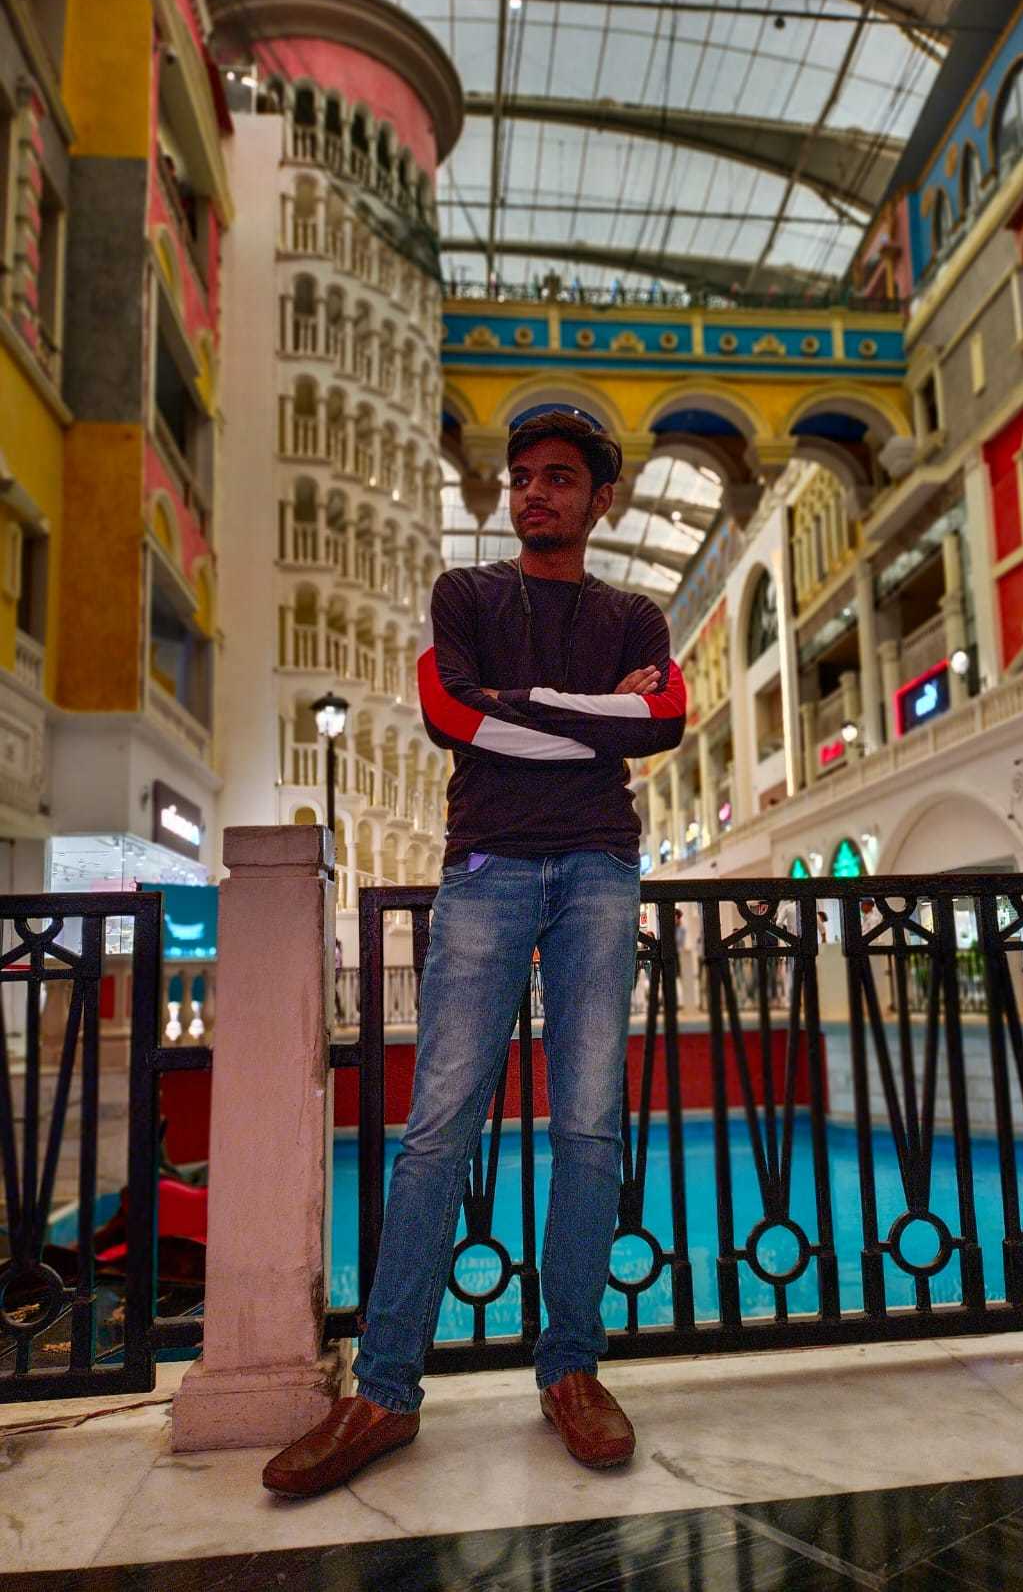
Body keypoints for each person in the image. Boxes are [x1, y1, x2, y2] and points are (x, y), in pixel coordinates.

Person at [263, 407, 687, 1498]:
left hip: (599, 869)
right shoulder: (466, 596)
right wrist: (596, 715)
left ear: (601, 499)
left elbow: (666, 721)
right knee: (438, 1128)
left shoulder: (636, 612)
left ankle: (572, 1371)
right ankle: (385, 1391)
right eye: (522, 477)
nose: (534, 492)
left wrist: (528, 706)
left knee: (589, 1125)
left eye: (560, 478)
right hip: (489, 868)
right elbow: (453, 715)